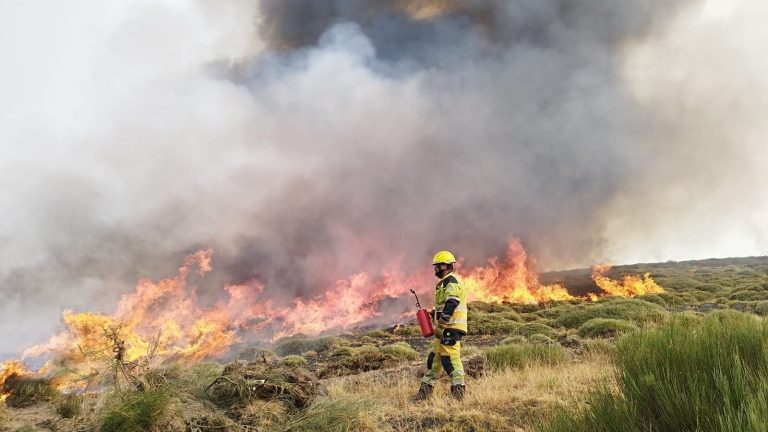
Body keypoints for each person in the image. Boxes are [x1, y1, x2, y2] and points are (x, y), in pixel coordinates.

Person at [413, 250, 468, 401]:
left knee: (450, 359)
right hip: (444, 329)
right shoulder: (444, 283)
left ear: (445, 266)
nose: (435, 269)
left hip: (451, 328)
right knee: (434, 360)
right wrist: (434, 315)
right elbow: (446, 304)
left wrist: (442, 322)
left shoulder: (451, 281)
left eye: (437, 266)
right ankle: (423, 394)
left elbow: (452, 302)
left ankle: (459, 396)